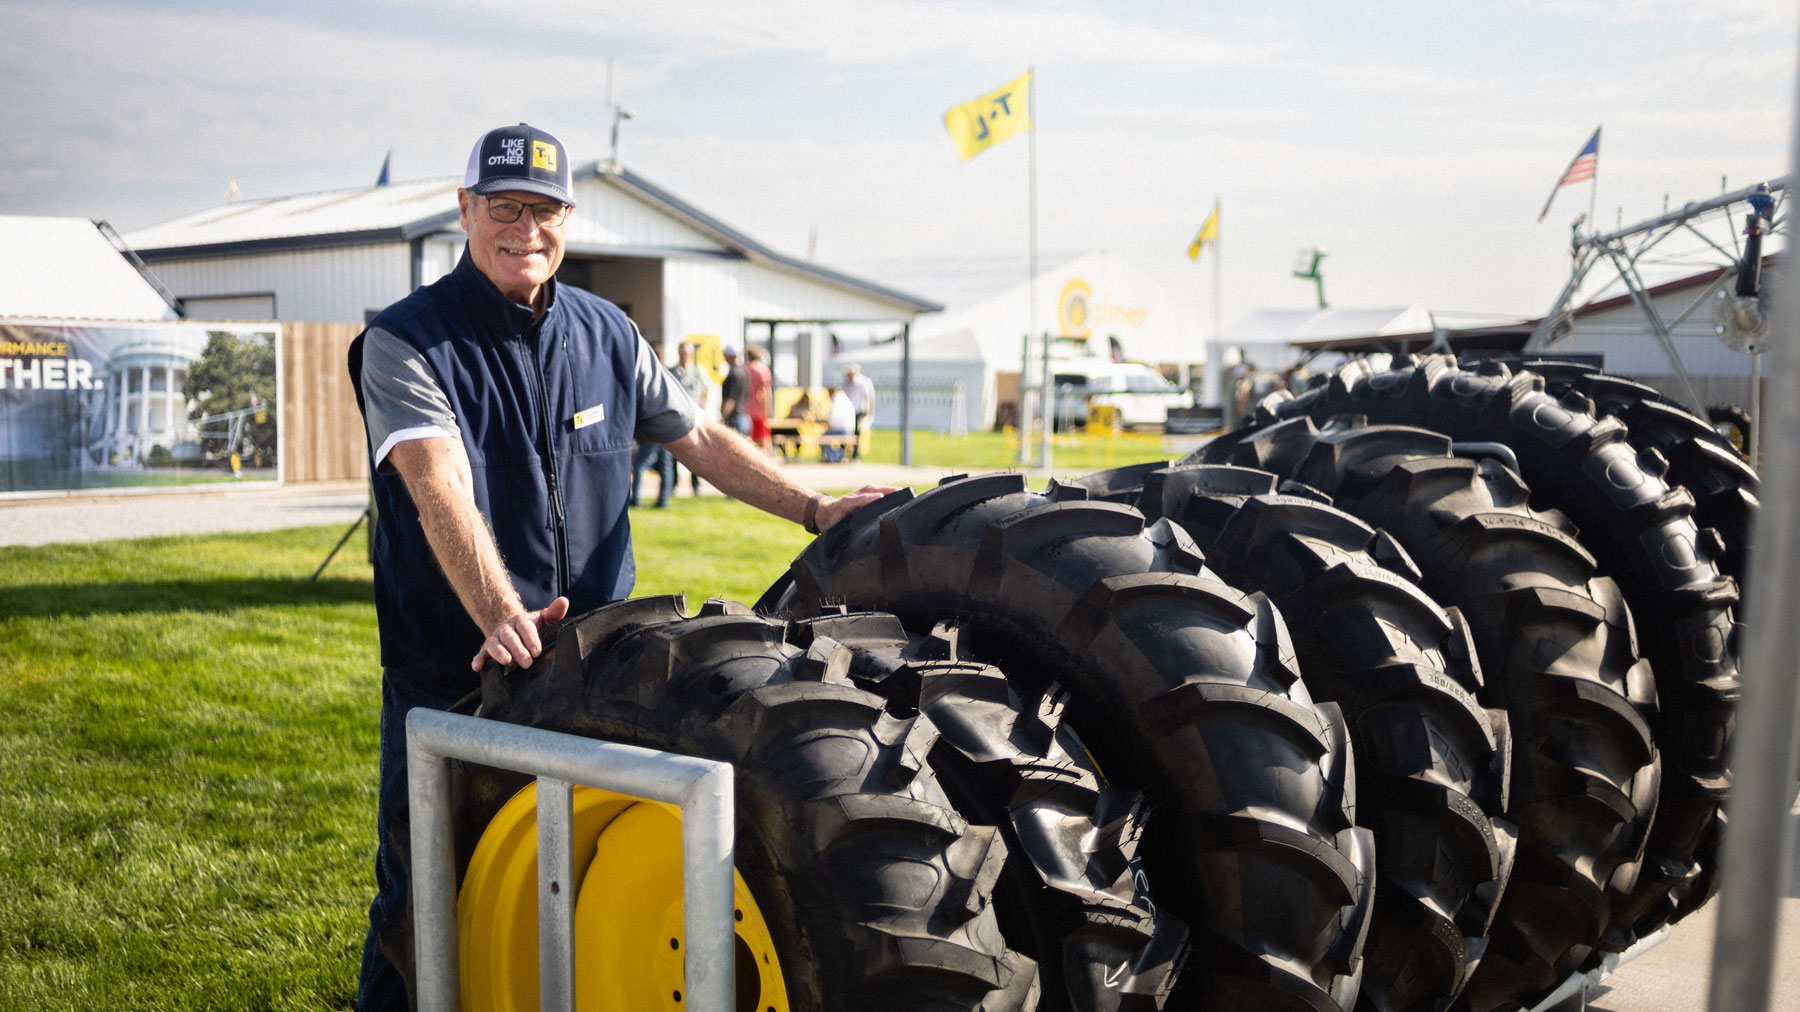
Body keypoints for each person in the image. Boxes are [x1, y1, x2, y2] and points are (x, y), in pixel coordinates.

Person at [347, 122, 895, 1012]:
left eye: (545, 210)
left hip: (592, 670)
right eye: (504, 207)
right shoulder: (407, 342)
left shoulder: (608, 333)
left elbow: (703, 440)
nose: (525, 228)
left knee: (575, 881)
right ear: (465, 210)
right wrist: (497, 610)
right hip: (454, 667)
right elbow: (435, 481)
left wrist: (817, 510)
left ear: (569, 218)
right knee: (425, 896)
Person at [628, 345, 678, 507]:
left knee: (641, 464)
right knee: (665, 465)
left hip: (653, 427)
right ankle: (663, 500)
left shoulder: (649, 376)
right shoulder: (669, 374)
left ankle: (637, 499)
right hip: (668, 427)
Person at [669, 341, 709, 496]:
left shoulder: (698, 371)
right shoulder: (672, 371)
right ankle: (672, 483)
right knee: (673, 451)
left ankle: (695, 484)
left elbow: (706, 391)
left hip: (692, 417)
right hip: (677, 417)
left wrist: (701, 410)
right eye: (682, 352)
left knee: (694, 451)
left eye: (687, 352)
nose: (684, 355)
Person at [842, 363, 875, 460]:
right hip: (848, 411)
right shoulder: (846, 382)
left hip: (859, 411)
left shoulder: (862, 382)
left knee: (857, 433)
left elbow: (868, 397)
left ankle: (855, 456)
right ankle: (843, 454)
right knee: (846, 431)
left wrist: (868, 411)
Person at [745, 344, 772, 450]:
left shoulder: (745, 369)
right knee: (763, 437)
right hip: (759, 409)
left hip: (747, 408)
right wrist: (767, 410)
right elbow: (765, 392)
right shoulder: (763, 370)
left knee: (750, 439)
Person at [719, 346, 750, 437]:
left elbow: (730, 400)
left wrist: (722, 419)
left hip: (735, 419)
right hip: (744, 417)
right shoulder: (744, 372)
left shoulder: (733, 374)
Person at [822, 384, 856, 462]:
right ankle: (839, 455)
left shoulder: (837, 400)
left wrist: (828, 424)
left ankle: (835, 456)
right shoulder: (844, 398)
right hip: (849, 430)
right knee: (825, 437)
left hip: (842, 430)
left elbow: (833, 418)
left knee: (823, 438)